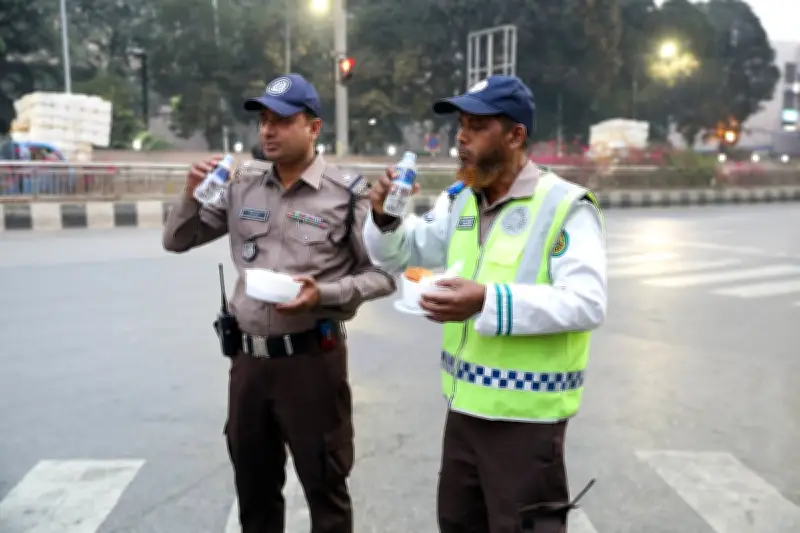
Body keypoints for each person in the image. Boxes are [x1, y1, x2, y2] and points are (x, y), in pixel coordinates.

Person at [362, 75, 608, 533]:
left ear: (515, 135)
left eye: (477, 126)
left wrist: (486, 301)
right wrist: (384, 217)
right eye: (461, 124)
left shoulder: (565, 206)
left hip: (526, 425)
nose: (461, 137)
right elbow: (405, 253)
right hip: (463, 415)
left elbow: (586, 302)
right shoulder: (461, 200)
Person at [162, 73, 396, 533]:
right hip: (248, 365)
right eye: (264, 120)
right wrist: (190, 194)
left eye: (282, 121)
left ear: (314, 128)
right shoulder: (241, 186)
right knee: (255, 491)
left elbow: (383, 274)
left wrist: (323, 295)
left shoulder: (347, 195)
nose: (268, 130)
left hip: (311, 362)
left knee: (325, 492)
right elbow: (178, 239)